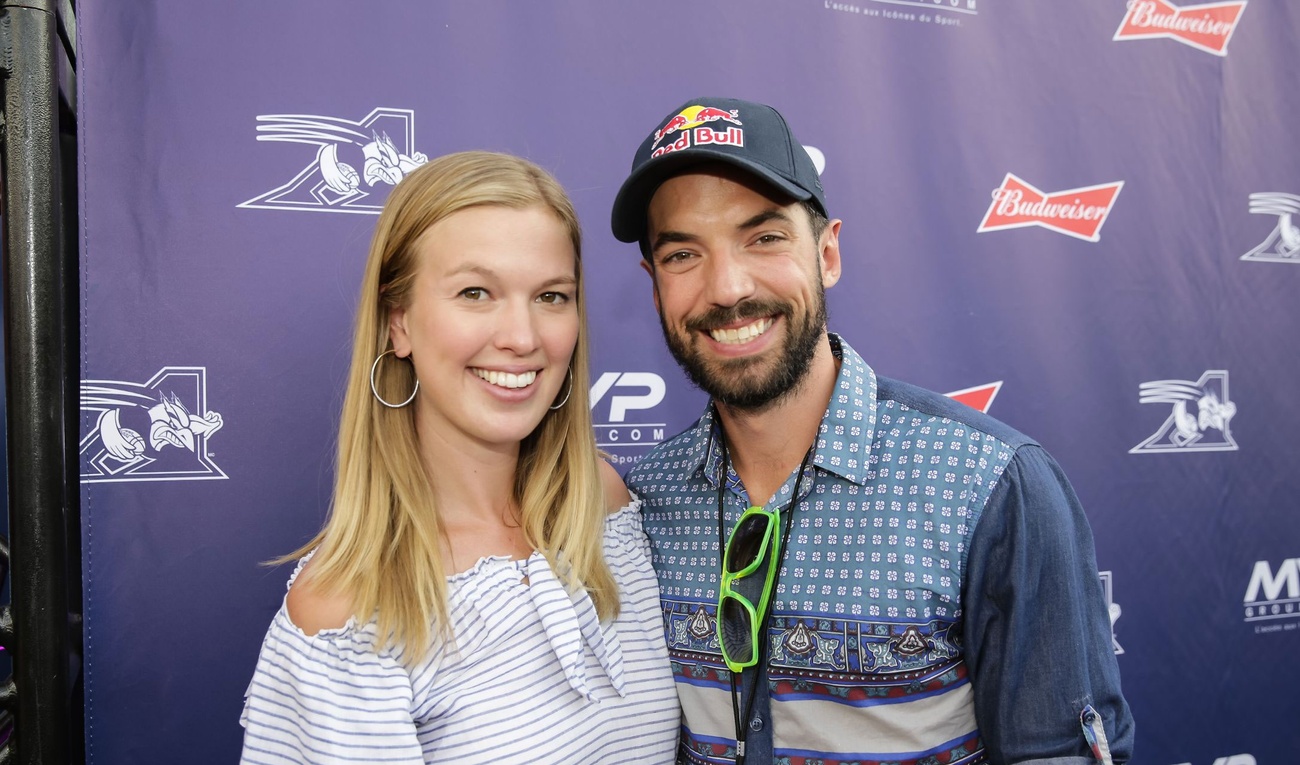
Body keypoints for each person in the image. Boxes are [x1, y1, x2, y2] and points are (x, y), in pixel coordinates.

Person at [610, 98, 1134, 765]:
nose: (728, 286)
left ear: (827, 253)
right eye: (684, 253)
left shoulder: (989, 484)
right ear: (654, 286)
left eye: (764, 237)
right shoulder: (641, 502)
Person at [240, 151, 678, 764]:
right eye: (476, 292)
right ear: (399, 323)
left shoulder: (602, 504)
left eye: (552, 296)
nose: (523, 337)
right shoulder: (349, 609)